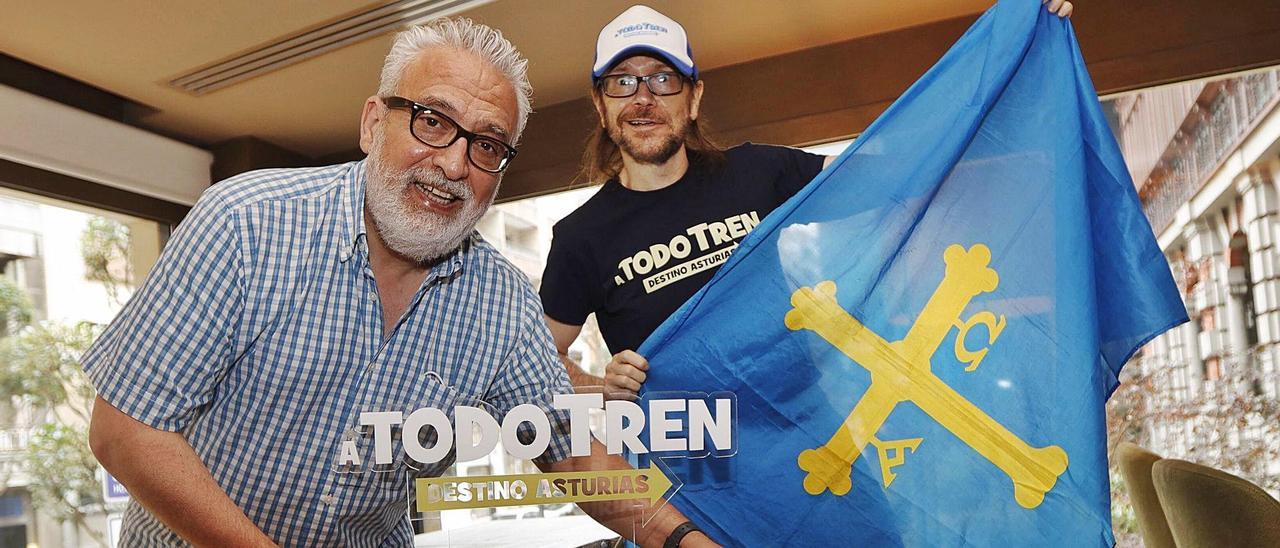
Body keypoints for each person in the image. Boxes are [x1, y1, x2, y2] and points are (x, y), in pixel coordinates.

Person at [84, 17, 713, 547]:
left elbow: (572, 452)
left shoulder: (501, 302)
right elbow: (126, 432)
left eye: (488, 145)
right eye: (431, 122)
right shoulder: (245, 222)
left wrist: (683, 540)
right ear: (370, 124)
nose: (452, 163)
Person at [541, 2, 1074, 399]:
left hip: (800, 443)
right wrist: (599, 388)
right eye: (622, 81)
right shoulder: (581, 237)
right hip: (686, 475)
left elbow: (891, 169)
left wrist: (1017, 43)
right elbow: (541, 362)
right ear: (600, 104)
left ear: (694, 97)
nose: (643, 98)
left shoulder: (759, 173)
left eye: (662, 79)